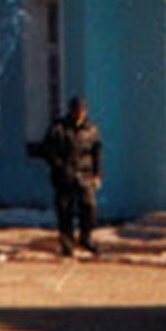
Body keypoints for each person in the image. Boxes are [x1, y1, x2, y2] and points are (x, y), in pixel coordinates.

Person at [40, 96, 102, 257]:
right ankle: (67, 243)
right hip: (64, 175)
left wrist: (97, 174)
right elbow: (48, 151)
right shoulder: (59, 128)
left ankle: (85, 238)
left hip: (85, 174)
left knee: (89, 206)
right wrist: (60, 166)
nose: (79, 114)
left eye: (82, 111)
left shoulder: (91, 130)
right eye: (76, 110)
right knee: (65, 210)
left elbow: (96, 153)